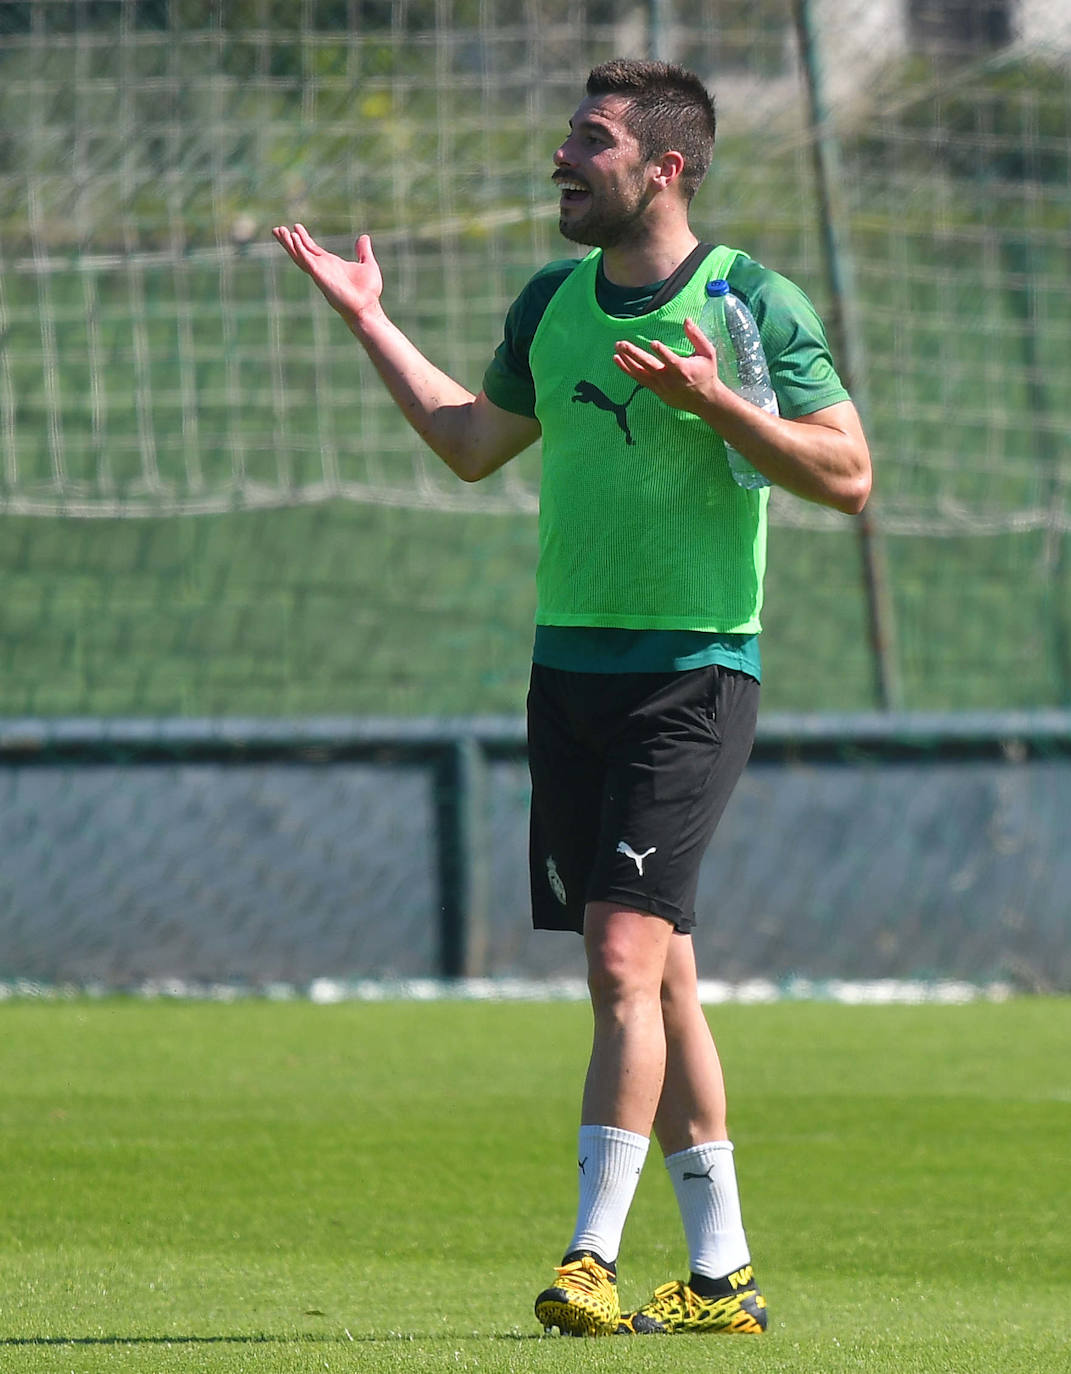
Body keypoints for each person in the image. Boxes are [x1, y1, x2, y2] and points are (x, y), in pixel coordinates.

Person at [274, 57, 871, 1337]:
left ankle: (590, 1259)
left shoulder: (747, 296)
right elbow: (472, 445)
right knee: (661, 982)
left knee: (617, 959)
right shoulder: (552, 299)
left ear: (663, 166)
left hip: (693, 671)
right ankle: (722, 1281)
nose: (561, 156)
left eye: (589, 139)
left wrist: (714, 399)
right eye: (566, 135)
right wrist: (367, 316)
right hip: (571, 672)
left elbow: (849, 474)